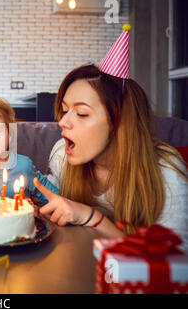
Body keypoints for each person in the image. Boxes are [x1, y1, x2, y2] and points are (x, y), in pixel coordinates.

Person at [33, 28, 188, 248]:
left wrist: (92, 218)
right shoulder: (61, 154)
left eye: (82, 113)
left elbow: (177, 264)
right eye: (65, 110)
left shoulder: (166, 170)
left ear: (118, 123)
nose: (63, 122)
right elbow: (52, 200)